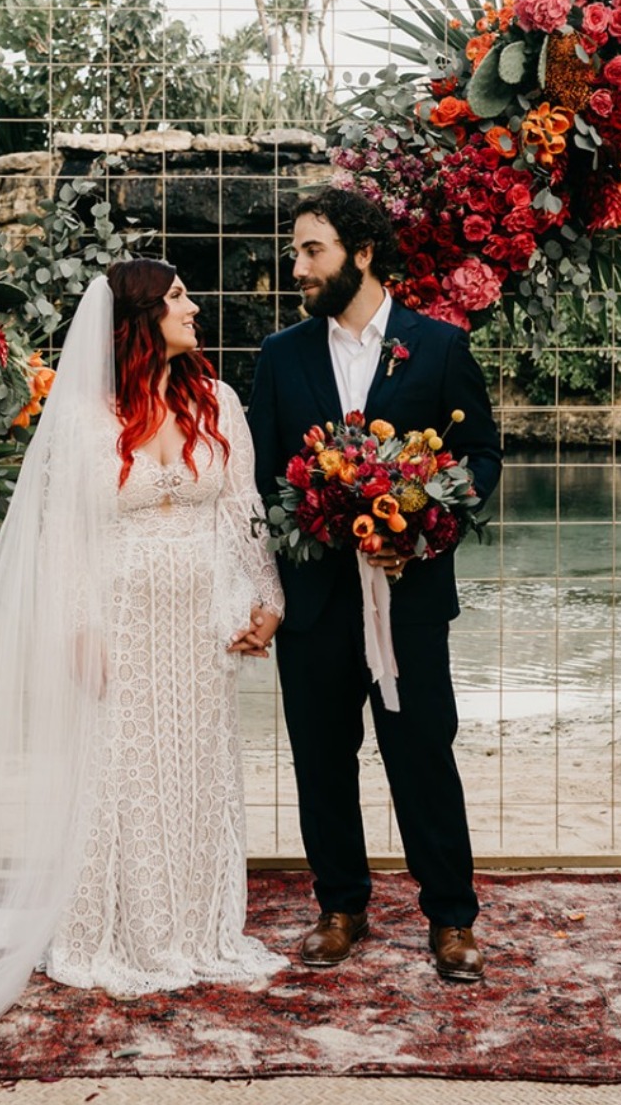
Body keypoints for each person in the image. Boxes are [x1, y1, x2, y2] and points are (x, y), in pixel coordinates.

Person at [0, 260, 285, 1087]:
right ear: (140, 318)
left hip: (199, 629)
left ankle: (199, 925)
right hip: (122, 627)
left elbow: (242, 513)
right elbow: (61, 536)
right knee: (126, 768)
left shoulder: (222, 405)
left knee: (196, 768)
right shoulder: (81, 422)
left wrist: (264, 602)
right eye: (177, 298)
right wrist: (78, 627)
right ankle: (122, 928)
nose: (195, 306)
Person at [247, 188, 502, 981]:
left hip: (413, 602)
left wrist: (422, 528)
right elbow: (259, 480)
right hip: (317, 603)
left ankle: (453, 920)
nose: (297, 267)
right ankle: (341, 907)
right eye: (296, 251)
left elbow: (482, 458)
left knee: (424, 752)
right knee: (322, 758)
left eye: (311, 250)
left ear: (361, 252)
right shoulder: (281, 356)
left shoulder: (439, 347)